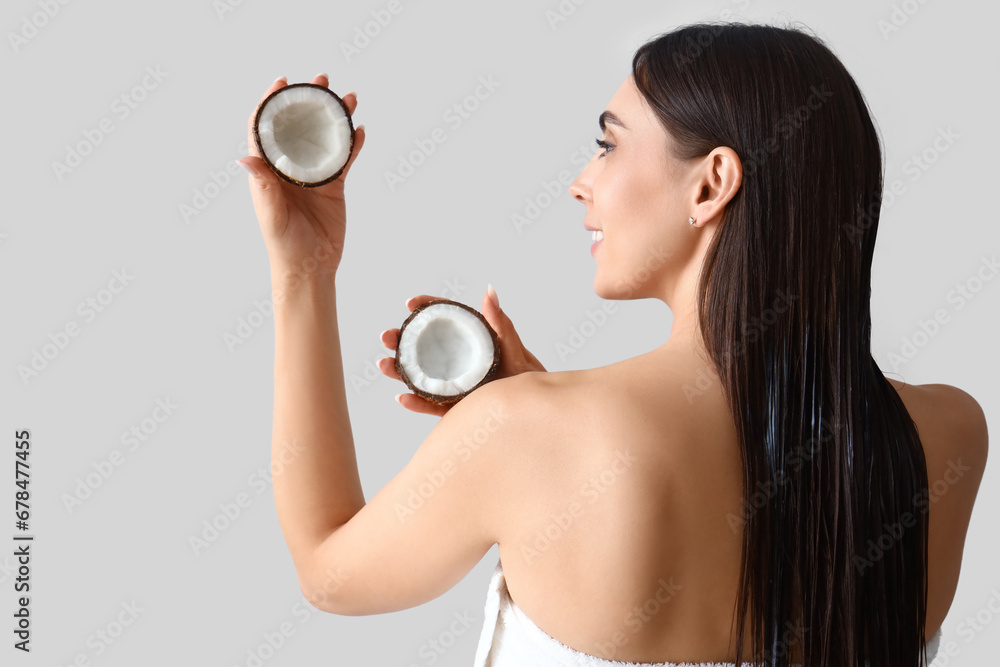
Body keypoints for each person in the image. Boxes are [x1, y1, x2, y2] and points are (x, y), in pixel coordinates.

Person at [237, 20, 988, 667]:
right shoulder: (950, 435)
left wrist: (303, 268)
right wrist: (549, 408)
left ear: (710, 184)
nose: (581, 181)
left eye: (607, 145)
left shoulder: (529, 431)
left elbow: (324, 566)